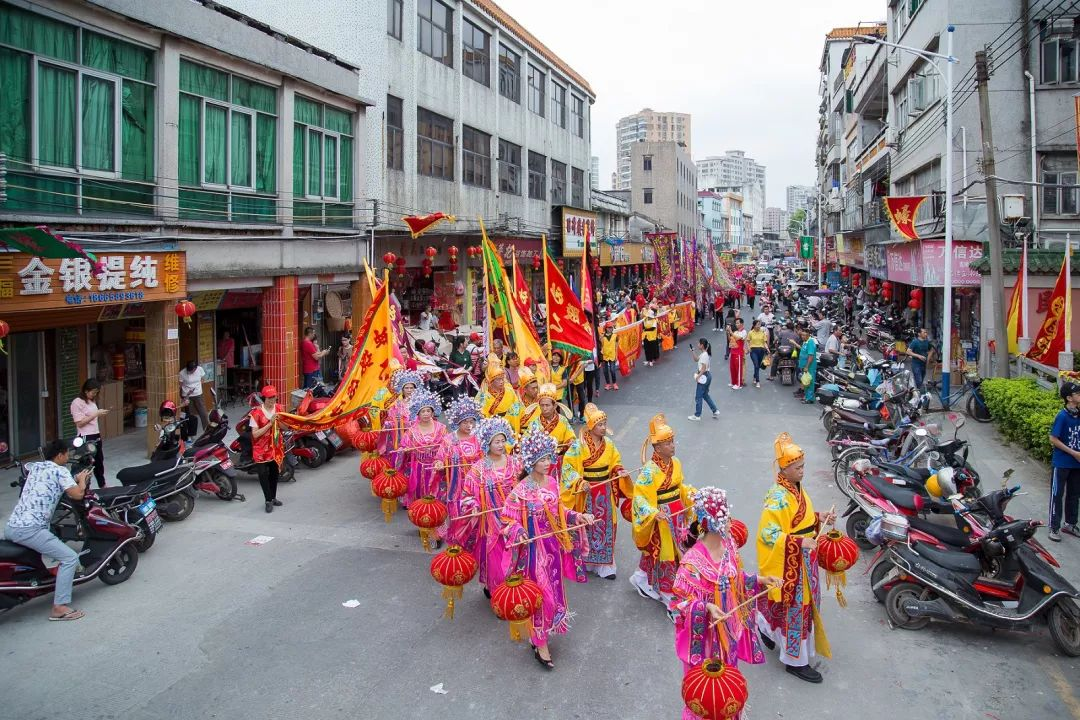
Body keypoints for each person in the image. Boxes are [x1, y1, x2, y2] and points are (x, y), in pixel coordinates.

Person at [672, 487, 781, 720]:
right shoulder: (692, 563)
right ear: (710, 522)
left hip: (729, 630)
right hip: (706, 639)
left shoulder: (729, 545)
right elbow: (679, 603)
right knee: (707, 694)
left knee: (727, 687)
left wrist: (761, 580)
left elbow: (736, 580)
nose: (730, 521)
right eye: (724, 517)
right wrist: (706, 608)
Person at [501, 431, 595, 669]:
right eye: (542, 459)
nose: (547, 463)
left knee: (553, 589)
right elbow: (507, 520)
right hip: (533, 550)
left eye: (548, 458)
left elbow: (559, 513)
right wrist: (519, 532)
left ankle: (539, 635)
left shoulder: (553, 483)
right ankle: (540, 642)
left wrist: (578, 516)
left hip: (552, 545)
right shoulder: (521, 490)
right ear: (531, 461)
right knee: (541, 594)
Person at [756, 433, 836, 684]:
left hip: (804, 558)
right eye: (798, 467)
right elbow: (768, 533)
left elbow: (798, 520)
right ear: (785, 468)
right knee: (797, 610)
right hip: (794, 560)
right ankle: (794, 661)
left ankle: (766, 628)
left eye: (802, 467)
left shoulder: (795, 489)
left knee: (791, 606)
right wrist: (799, 541)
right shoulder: (778, 497)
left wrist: (818, 517)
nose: (802, 471)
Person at [3, 438, 92, 621]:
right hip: (31, 530)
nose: (68, 456)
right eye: (67, 453)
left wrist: (72, 481)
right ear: (60, 455)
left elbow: (43, 482)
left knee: (50, 543)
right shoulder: (60, 471)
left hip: (13, 527)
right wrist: (81, 481)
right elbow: (77, 494)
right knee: (69, 558)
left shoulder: (36, 467)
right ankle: (59, 607)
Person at [630, 413, 696, 612]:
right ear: (657, 448)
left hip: (677, 513)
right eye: (667, 443)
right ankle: (667, 593)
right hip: (662, 516)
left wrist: (693, 495)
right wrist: (651, 512)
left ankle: (641, 577)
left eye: (672, 441)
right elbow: (639, 497)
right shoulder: (649, 471)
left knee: (671, 550)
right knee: (665, 552)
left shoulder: (676, 463)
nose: (672, 446)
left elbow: (680, 487)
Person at [560, 403, 631, 579]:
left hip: (605, 490)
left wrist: (619, 470)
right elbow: (568, 467)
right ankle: (587, 561)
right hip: (587, 492)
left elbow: (615, 461)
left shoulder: (610, 444)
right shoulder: (578, 446)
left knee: (606, 525)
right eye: (600, 425)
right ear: (590, 426)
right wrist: (579, 481)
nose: (604, 428)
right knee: (586, 526)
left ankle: (605, 565)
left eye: (605, 424)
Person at [458, 418, 520, 595]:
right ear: (488, 443)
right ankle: (498, 592)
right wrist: (475, 506)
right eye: (496, 442)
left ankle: (513, 590)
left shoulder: (514, 463)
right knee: (496, 558)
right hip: (491, 522)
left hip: (514, 519)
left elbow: (526, 487)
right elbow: (467, 494)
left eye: (502, 441)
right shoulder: (479, 468)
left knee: (515, 555)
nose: (500, 445)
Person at [434, 396, 484, 545]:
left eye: (471, 421)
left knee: (475, 516)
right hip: (457, 487)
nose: (469, 425)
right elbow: (440, 458)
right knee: (458, 515)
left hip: (476, 485)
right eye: (465, 422)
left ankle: (472, 545)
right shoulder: (450, 440)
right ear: (458, 422)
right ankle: (457, 545)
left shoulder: (480, 438)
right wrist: (439, 464)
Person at [400, 388, 450, 508]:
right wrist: (405, 450)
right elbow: (403, 447)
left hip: (437, 467)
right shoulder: (412, 431)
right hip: (419, 468)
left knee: (437, 500)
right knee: (421, 501)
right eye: (423, 411)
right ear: (418, 414)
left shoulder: (442, 428)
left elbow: (448, 447)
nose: (426, 414)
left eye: (429, 411)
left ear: (433, 413)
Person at [1047, 382, 1080, 542]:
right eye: (1078, 394)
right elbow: (1053, 438)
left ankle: (1071, 524)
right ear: (1069, 398)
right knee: (1057, 495)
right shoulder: (1062, 416)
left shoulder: (1078, 414)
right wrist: (1073, 453)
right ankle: (1054, 527)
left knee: (1074, 495)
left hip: (1077, 464)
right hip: (1062, 462)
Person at [524, 383, 576, 475]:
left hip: (559, 461)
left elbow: (571, 437)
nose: (544, 408)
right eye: (542, 405)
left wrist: (570, 442)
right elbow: (526, 441)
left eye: (547, 405)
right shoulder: (535, 423)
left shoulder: (562, 420)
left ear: (555, 406)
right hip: (541, 463)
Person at [249, 385, 285, 513]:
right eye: (270, 398)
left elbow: (284, 427)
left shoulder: (279, 409)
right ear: (264, 398)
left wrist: (282, 422)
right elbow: (255, 434)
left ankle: (273, 497)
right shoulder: (256, 413)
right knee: (263, 475)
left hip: (275, 447)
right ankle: (268, 500)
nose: (272, 400)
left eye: (274, 397)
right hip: (261, 449)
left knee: (274, 473)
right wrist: (270, 423)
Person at [381, 370, 423, 471]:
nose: (409, 390)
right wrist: (389, 424)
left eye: (411, 388)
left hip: (417, 437)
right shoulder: (398, 404)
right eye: (406, 388)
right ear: (402, 389)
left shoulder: (421, 403)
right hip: (401, 435)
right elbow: (391, 418)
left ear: (415, 389)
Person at [70, 379, 108, 488]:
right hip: (85, 436)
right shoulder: (77, 402)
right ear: (86, 390)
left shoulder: (91, 401)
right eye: (93, 392)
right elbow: (80, 423)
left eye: (96, 393)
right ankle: (84, 487)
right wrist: (96, 414)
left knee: (99, 461)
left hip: (96, 434)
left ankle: (103, 484)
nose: (94, 395)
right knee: (87, 463)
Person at [478, 355, 522, 422]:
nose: (501, 382)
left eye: (501, 366)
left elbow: (516, 406)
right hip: (492, 423)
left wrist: (508, 419)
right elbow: (480, 411)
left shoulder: (509, 389)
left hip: (509, 421)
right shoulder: (484, 393)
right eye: (498, 379)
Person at [688, 338, 719, 420]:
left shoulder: (704, 355)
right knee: (705, 395)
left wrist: (698, 376)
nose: (697, 345)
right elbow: (696, 359)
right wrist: (692, 351)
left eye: (698, 343)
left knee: (698, 396)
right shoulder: (703, 354)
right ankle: (715, 410)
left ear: (702, 345)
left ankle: (697, 415)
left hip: (704, 376)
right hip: (707, 376)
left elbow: (704, 368)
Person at [179, 360, 210, 434]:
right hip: (187, 395)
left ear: (195, 368)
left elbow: (203, 379)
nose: (191, 372)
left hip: (198, 394)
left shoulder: (200, 369)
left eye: (192, 370)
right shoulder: (182, 373)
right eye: (189, 370)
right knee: (190, 415)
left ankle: (207, 430)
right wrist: (180, 397)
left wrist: (197, 386)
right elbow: (180, 385)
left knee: (203, 413)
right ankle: (190, 434)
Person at [797, 327, 818, 404]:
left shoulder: (810, 342)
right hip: (804, 366)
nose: (803, 337)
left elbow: (811, 356)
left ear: (809, 335)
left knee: (810, 382)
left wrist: (806, 366)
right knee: (805, 381)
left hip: (810, 367)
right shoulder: (805, 342)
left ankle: (810, 399)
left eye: (805, 335)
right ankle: (806, 397)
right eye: (802, 335)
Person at [747, 320, 769, 389]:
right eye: (757, 324)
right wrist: (748, 348)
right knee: (756, 365)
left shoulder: (762, 332)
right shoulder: (750, 332)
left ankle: (754, 376)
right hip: (753, 350)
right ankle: (758, 381)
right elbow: (747, 341)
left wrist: (767, 349)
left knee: (758, 366)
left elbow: (764, 342)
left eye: (759, 324)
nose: (759, 326)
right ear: (754, 325)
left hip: (761, 350)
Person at [727, 318, 747, 390]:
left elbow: (739, 338)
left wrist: (731, 332)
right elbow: (731, 340)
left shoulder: (744, 332)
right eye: (736, 323)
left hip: (739, 352)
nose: (736, 324)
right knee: (732, 368)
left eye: (738, 323)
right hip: (733, 351)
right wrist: (728, 333)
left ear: (742, 324)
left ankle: (739, 384)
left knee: (738, 368)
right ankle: (733, 382)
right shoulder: (735, 332)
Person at [600, 323, 619, 391]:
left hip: (612, 355)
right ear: (606, 328)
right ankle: (608, 384)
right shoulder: (602, 336)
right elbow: (600, 345)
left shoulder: (615, 336)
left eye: (611, 327)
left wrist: (616, 355)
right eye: (608, 327)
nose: (610, 329)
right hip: (604, 355)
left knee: (612, 370)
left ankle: (614, 383)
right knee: (605, 371)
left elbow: (616, 346)